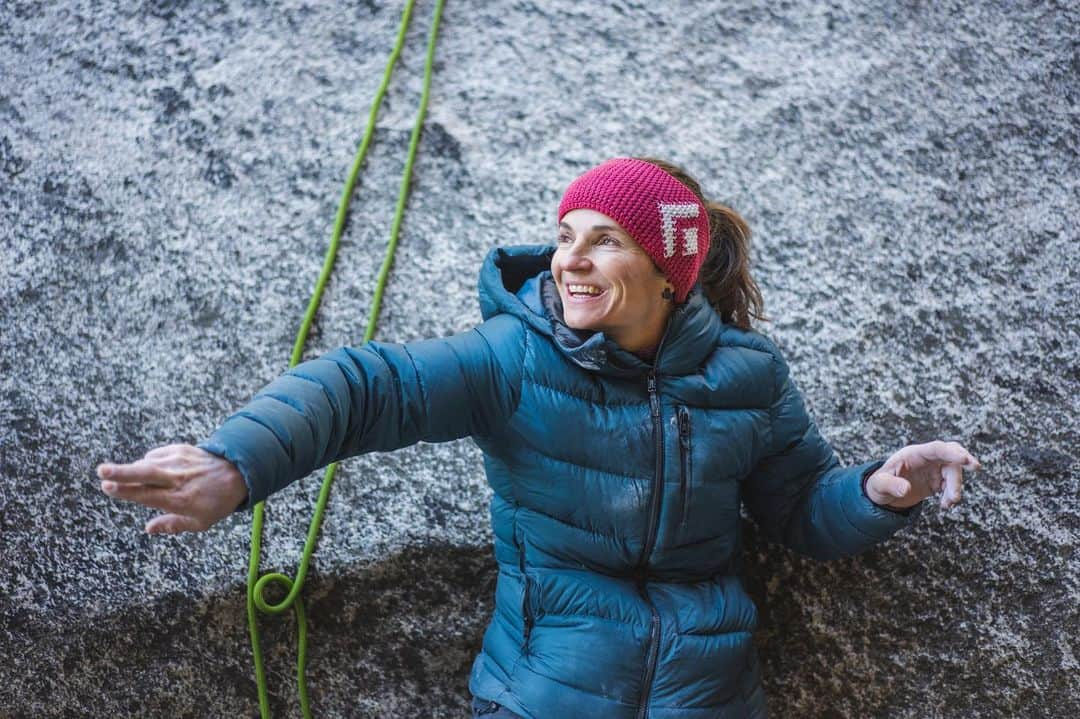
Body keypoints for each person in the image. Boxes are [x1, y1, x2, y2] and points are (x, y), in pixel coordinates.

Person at [97, 157, 981, 718]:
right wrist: (235, 461)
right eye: (565, 237)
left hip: (710, 695)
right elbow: (370, 385)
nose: (569, 259)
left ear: (668, 272)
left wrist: (878, 490)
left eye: (604, 240)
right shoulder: (515, 357)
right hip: (545, 690)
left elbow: (799, 509)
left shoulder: (750, 375)